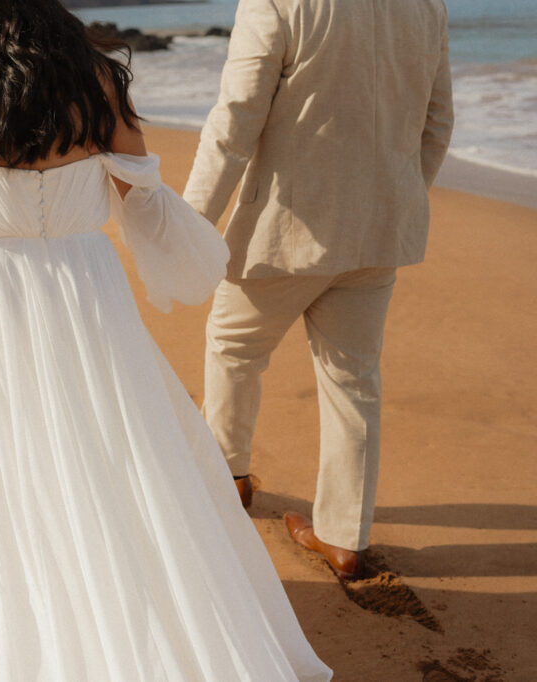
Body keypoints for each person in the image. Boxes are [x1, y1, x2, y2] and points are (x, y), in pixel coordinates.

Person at [0, 0, 332, 679]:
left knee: (10, 457)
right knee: (118, 447)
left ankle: (44, 609)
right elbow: (141, 193)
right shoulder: (96, 80)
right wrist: (185, 251)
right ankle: (144, 595)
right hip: (88, 289)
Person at [183, 0, 454, 579]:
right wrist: (396, 201)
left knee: (234, 349)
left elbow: (235, 122)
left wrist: (191, 224)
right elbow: (437, 122)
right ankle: (343, 537)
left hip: (286, 231)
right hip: (377, 234)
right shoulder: (427, 7)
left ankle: (228, 478)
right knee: (353, 379)